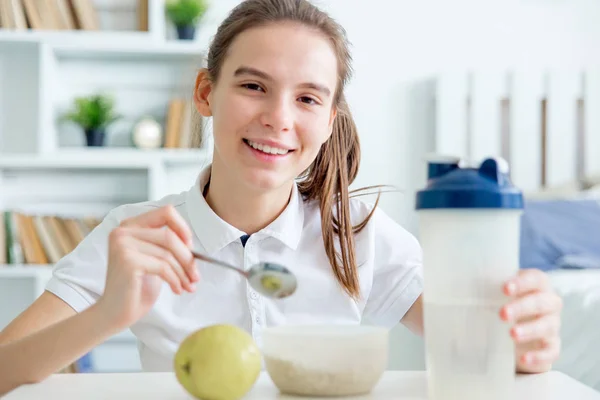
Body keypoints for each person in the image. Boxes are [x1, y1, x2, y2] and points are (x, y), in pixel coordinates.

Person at [0, 0, 563, 395]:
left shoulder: (357, 232)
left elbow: (484, 351)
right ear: (205, 93)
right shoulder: (138, 235)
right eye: (252, 86)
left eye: (308, 99)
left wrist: (527, 334)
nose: (277, 119)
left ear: (330, 120)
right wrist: (109, 313)